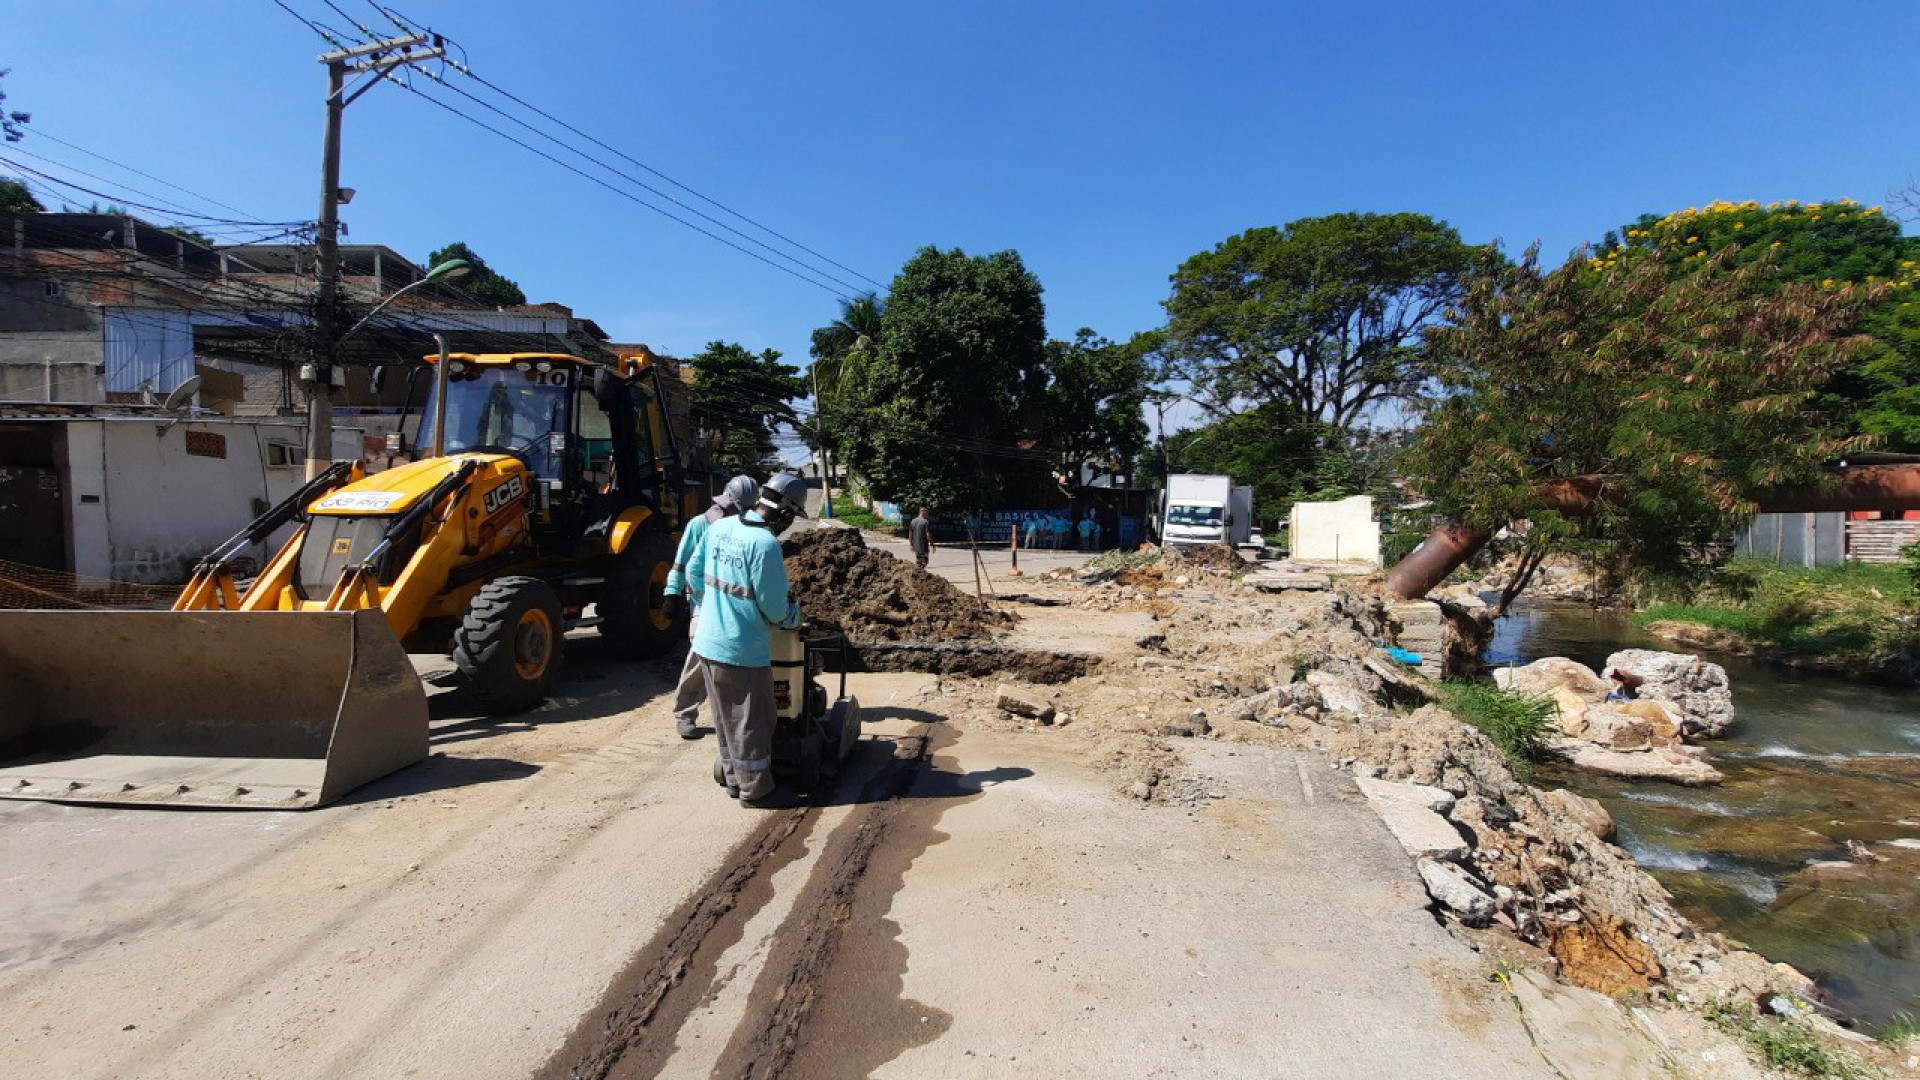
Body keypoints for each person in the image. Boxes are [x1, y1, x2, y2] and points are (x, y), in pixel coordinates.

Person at [685, 472, 808, 807]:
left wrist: (707, 607)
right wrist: (795, 616)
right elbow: (774, 608)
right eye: (792, 516)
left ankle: (732, 778)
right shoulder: (765, 545)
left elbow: (693, 573)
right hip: (740, 649)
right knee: (753, 722)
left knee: (726, 718)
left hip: (707, 644)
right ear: (783, 512)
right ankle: (757, 790)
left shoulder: (720, 528)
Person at [661, 474, 760, 739]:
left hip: (736, 603)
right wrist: (672, 592)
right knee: (701, 655)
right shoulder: (699, 525)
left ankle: (741, 713)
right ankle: (685, 712)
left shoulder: (747, 529)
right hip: (704, 603)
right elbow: (682, 564)